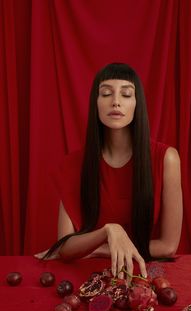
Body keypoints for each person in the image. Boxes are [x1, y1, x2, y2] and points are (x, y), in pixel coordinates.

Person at [35, 63, 183, 279]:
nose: (115, 101)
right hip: (87, 277)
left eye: (126, 94)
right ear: (95, 103)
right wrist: (108, 230)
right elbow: (65, 246)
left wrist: (100, 248)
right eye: (106, 93)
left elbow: (168, 246)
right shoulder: (74, 164)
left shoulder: (167, 158)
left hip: (147, 274)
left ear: (137, 104)